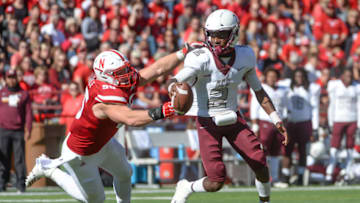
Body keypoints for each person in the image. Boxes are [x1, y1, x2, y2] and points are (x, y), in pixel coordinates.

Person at [25, 47, 197, 203]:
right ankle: (48, 170)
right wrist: (166, 110)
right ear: (106, 77)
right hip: (81, 153)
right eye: (120, 72)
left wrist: (183, 52)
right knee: (96, 200)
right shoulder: (104, 99)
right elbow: (130, 119)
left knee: (125, 173)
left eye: (125, 69)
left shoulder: (116, 81)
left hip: (102, 142)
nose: (127, 74)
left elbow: (157, 69)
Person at [168, 9, 288, 203]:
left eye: (221, 34)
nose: (215, 39)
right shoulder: (200, 57)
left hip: (233, 118)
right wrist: (173, 85)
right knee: (216, 181)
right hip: (207, 121)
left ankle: (265, 201)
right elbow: (180, 77)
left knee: (260, 163)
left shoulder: (245, 55)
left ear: (233, 34)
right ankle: (186, 186)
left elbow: (258, 90)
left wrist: (275, 118)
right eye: (212, 34)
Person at [278, 68, 320, 187]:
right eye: (297, 76)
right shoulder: (287, 88)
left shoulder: (311, 89)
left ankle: (300, 176)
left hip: (304, 122)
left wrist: (315, 127)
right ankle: (285, 176)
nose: (299, 79)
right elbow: (276, 84)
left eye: (301, 76)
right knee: (287, 150)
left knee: (302, 151)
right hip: (290, 123)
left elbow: (315, 108)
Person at [250, 67, 288, 185]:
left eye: (274, 76)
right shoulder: (262, 88)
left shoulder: (282, 90)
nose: (272, 78)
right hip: (265, 122)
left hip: (278, 124)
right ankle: (259, 177)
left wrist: (284, 121)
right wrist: (255, 125)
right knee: (262, 151)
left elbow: (285, 107)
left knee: (276, 152)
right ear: (266, 77)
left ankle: (275, 178)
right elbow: (254, 107)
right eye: (270, 76)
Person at [325, 68, 360, 184]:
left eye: (350, 75)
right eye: (346, 75)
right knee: (334, 147)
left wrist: (359, 123)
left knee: (350, 148)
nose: (349, 78)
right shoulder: (335, 86)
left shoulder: (356, 87)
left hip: (352, 119)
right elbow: (332, 105)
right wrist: (331, 122)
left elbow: (359, 105)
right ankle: (329, 173)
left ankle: (348, 172)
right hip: (338, 119)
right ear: (342, 76)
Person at [0, 69, 32, 192]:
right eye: (9, 77)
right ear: (5, 79)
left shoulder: (24, 94)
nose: (11, 79)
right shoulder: (1, 93)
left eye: (13, 77)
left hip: (18, 130)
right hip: (3, 130)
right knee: (3, 158)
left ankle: (21, 184)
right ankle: (2, 183)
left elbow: (29, 113)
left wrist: (28, 128)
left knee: (19, 159)